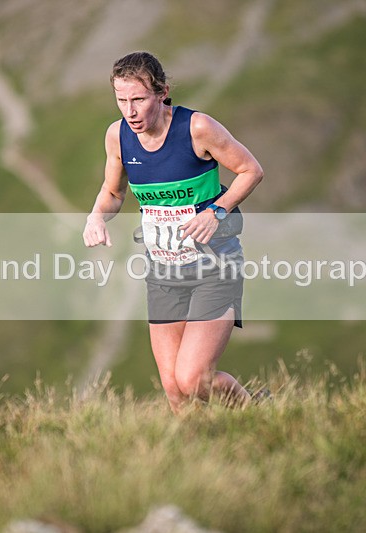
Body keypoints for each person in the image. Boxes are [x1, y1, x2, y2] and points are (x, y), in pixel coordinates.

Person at [83, 51, 264, 414]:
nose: (130, 111)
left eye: (138, 99)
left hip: (214, 266)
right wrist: (96, 217)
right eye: (122, 100)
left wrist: (217, 211)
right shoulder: (118, 136)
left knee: (195, 378)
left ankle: (260, 416)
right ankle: (200, 458)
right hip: (163, 271)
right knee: (175, 391)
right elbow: (114, 192)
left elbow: (250, 170)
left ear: (162, 92)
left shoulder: (197, 128)